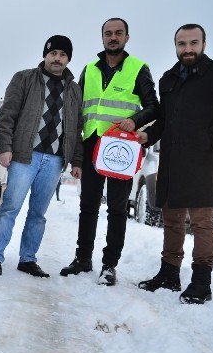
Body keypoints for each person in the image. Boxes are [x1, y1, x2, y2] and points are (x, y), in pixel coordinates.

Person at [137, 24, 213, 304]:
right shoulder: (168, 79)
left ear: (204, 44)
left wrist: (209, 140)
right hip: (172, 160)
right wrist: (147, 135)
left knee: (201, 222)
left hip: (203, 160)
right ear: (175, 46)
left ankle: (201, 282)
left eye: (193, 43)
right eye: (182, 44)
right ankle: (169, 273)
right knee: (172, 219)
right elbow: (164, 120)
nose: (187, 49)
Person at [60, 18, 159, 285]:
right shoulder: (89, 69)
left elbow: (154, 106)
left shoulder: (138, 69)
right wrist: (76, 153)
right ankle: (82, 259)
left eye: (118, 33)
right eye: (108, 33)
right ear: (102, 37)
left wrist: (136, 121)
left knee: (116, 208)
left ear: (127, 37)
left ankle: (109, 265)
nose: (112, 37)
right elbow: (77, 111)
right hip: (93, 144)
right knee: (88, 206)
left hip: (121, 148)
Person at [0, 35, 83, 277]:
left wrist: (77, 160)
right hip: (24, 157)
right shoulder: (24, 78)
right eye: (53, 53)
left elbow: (77, 126)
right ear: (45, 55)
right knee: (10, 207)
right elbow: (7, 115)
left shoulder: (74, 89)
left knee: (38, 213)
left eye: (62, 54)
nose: (57, 58)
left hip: (54, 160)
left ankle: (27, 259)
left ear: (68, 58)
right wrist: (5, 146)